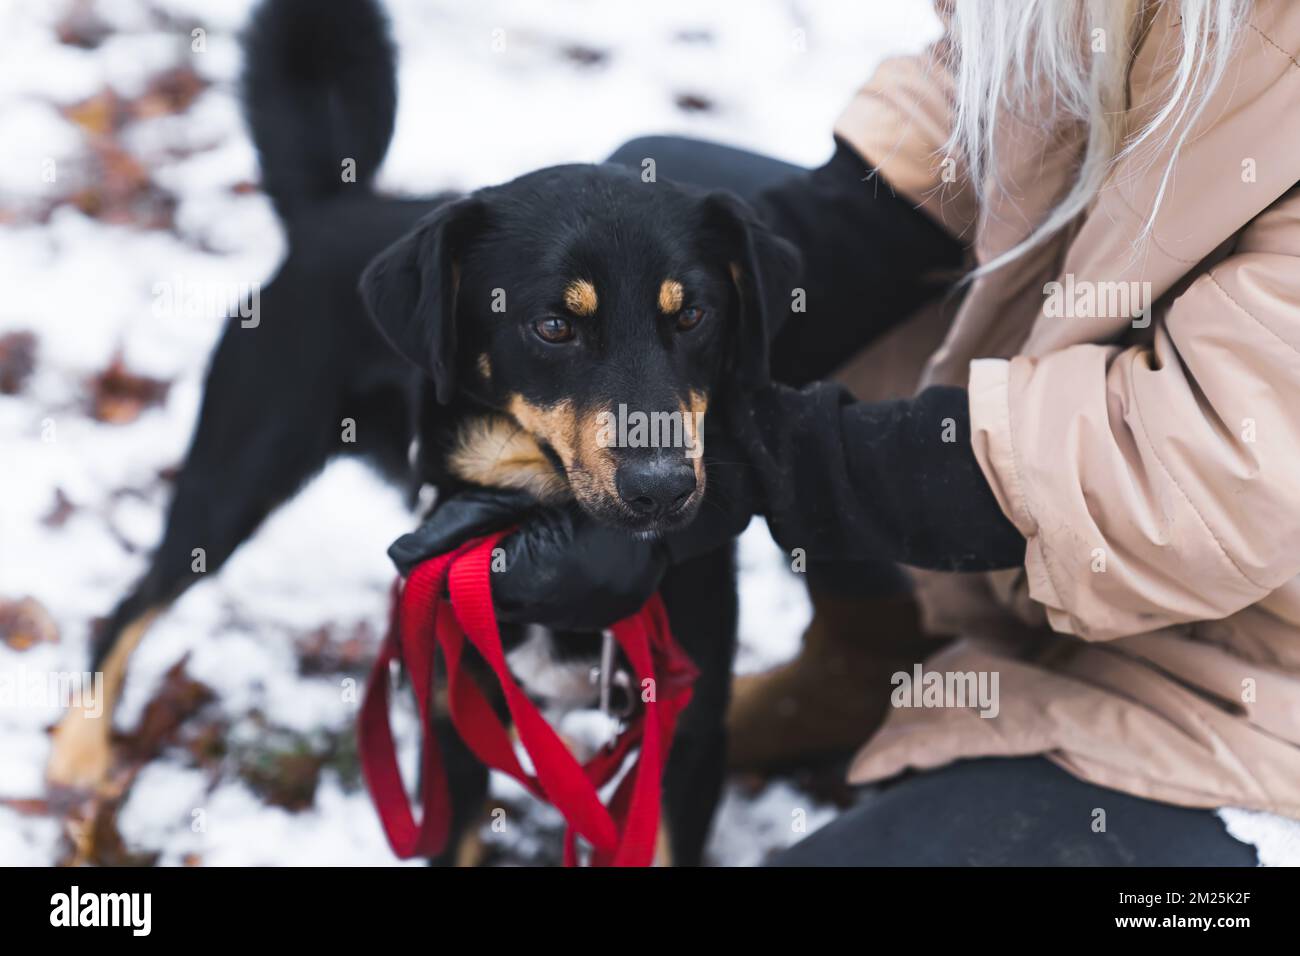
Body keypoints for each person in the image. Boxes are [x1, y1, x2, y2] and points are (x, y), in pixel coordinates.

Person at [390, 0, 1300, 865]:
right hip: (1056, 439)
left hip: (1242, 687)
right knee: (656, 200)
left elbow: (1208, 474)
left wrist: (761, 463)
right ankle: (875, 654)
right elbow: (970, 112)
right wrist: (706, 307)